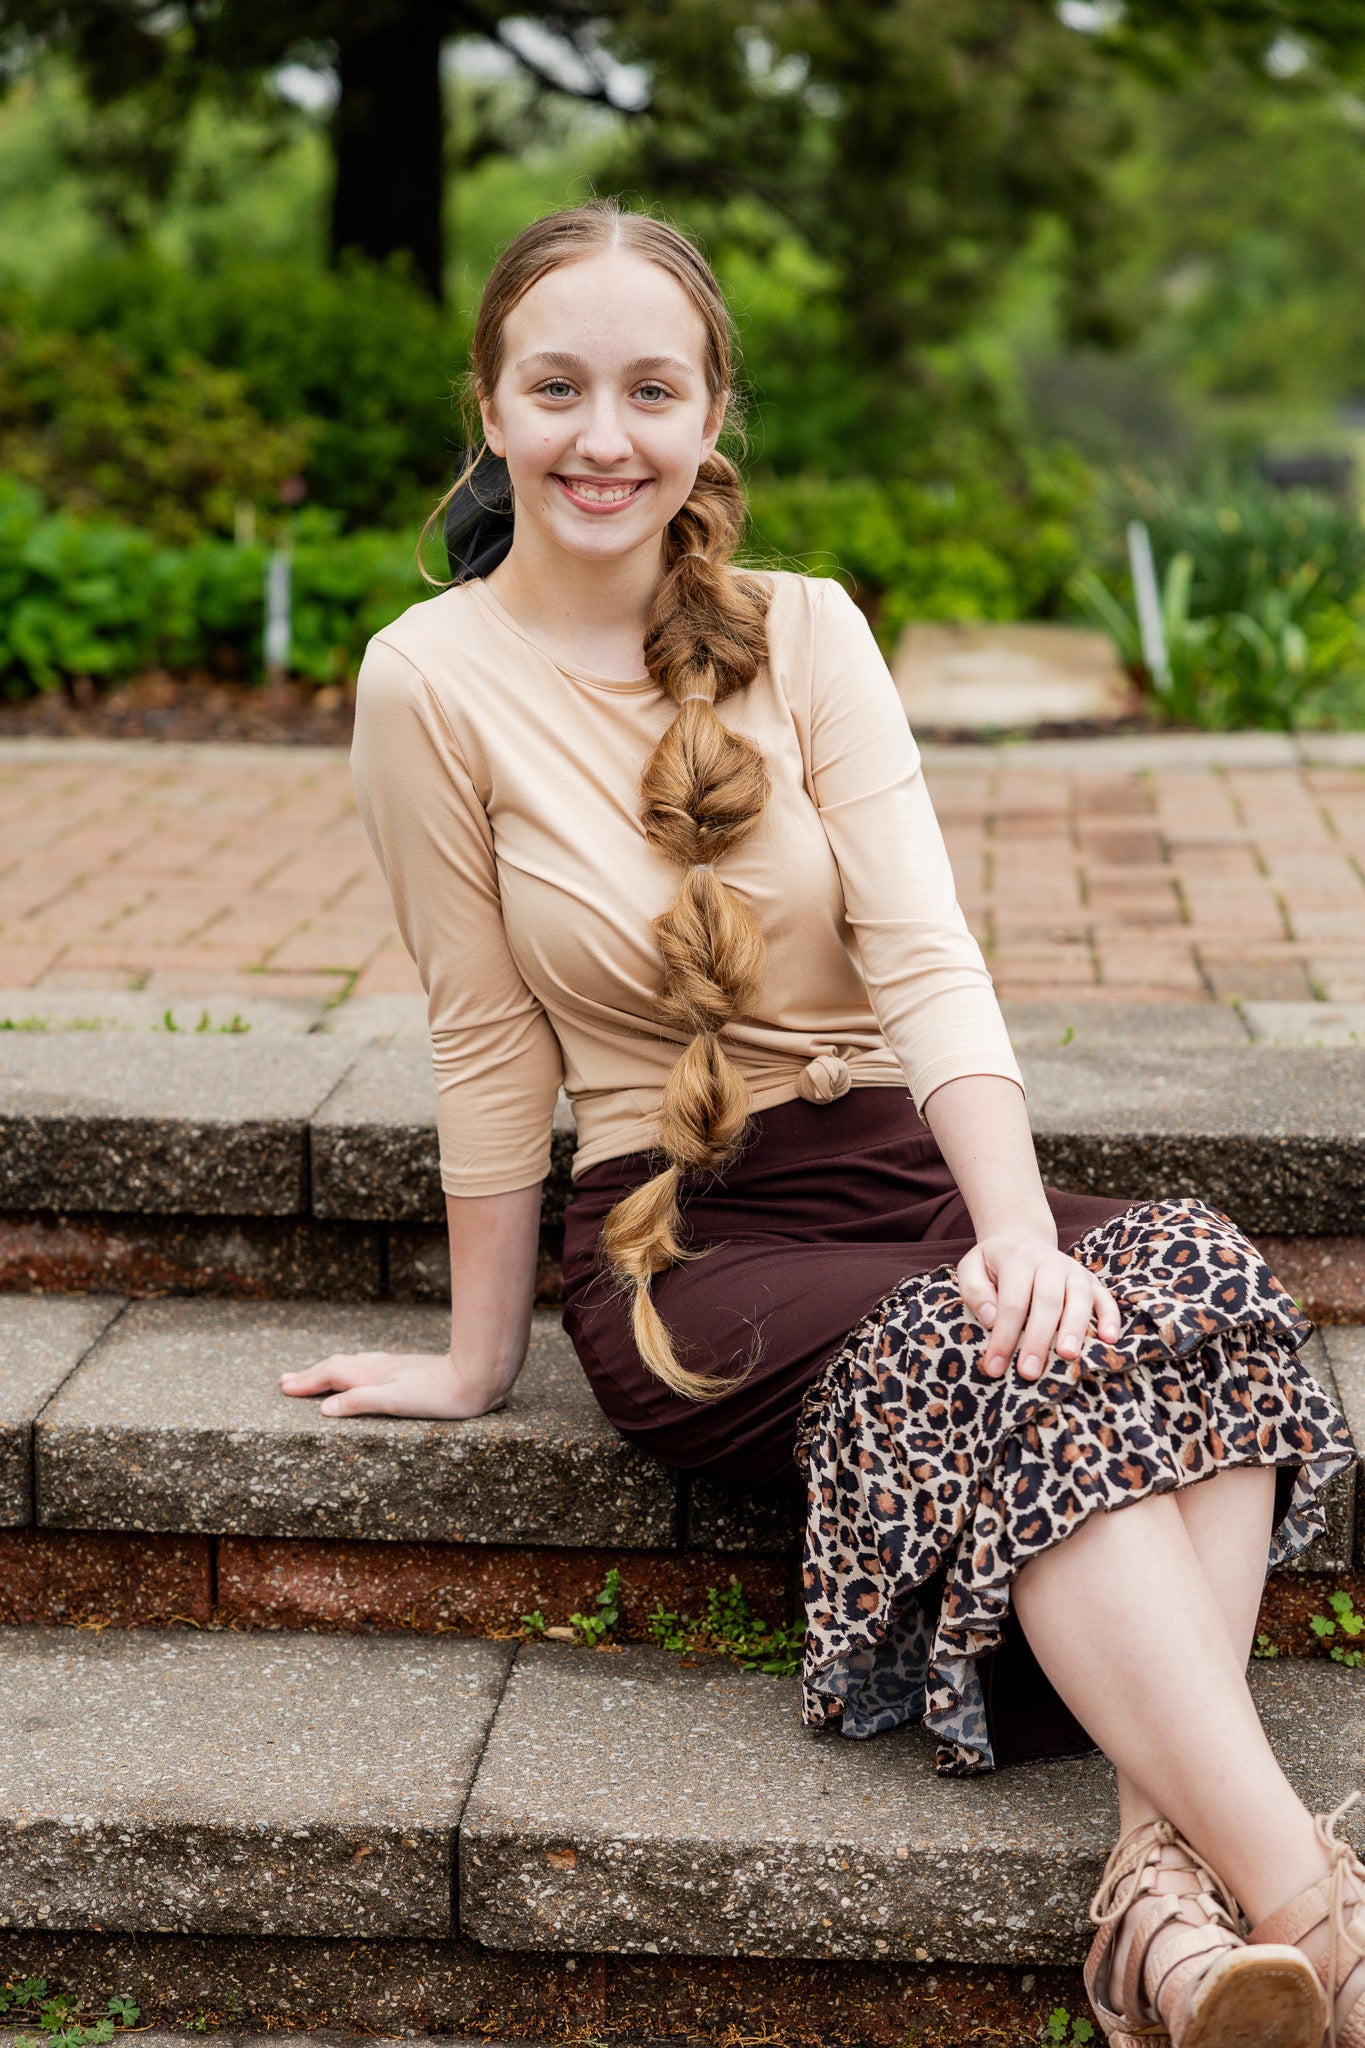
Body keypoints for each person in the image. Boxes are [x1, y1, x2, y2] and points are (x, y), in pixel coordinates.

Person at [280, 201, 1363, 2048]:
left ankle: (1158, 1915)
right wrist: (475, 1362)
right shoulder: (427, 679)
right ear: (489, 407)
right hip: (677, 1241)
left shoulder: (807, 634)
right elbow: (482, 1042)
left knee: (1174, 1268)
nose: (600, 435)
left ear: (713, 420)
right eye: (557, 388)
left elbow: (927, 954)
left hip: (901, 1169)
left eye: (649, 388)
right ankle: (1313, 1913)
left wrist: (1015, 1225)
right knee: (994, 1357)